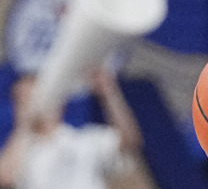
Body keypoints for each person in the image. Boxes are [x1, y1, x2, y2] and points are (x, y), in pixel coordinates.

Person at [0, 70, 156, 189]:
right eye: (22, 101)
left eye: (33, 97)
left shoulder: (85, 139)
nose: (30, 105)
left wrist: (109, 93)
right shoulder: (20, 151)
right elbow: (5, 178)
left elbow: (130, 141)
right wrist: (24, 126)